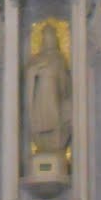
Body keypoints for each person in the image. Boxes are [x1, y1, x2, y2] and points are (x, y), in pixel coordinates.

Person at [25, 22, 72, 156]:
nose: (49, 39)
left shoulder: (59, 58)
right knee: (41, 120)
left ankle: (55, 141)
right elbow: (29, 74)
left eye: (51, 36)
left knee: (56, 117)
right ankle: (43, 142)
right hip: (40, 95)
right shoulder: (37, 58)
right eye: (46, 36)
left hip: (54, 95)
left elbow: (65, 81)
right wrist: (35, 71)